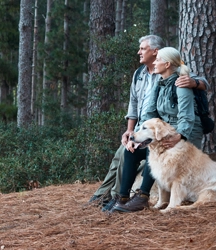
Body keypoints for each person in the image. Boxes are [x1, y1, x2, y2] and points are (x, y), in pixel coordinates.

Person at [88, 36, 209, 211]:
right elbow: (145, 111)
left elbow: (188, 116)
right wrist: (135, 135)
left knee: (149, 150)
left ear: (163, 60)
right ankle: (119, 197)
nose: (139, 52)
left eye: (143, 49)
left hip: (176, 133)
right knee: (128, 151)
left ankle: (142, 196)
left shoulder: (182, 81)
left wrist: (178, 136)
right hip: (158, 129)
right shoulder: (150, 80)